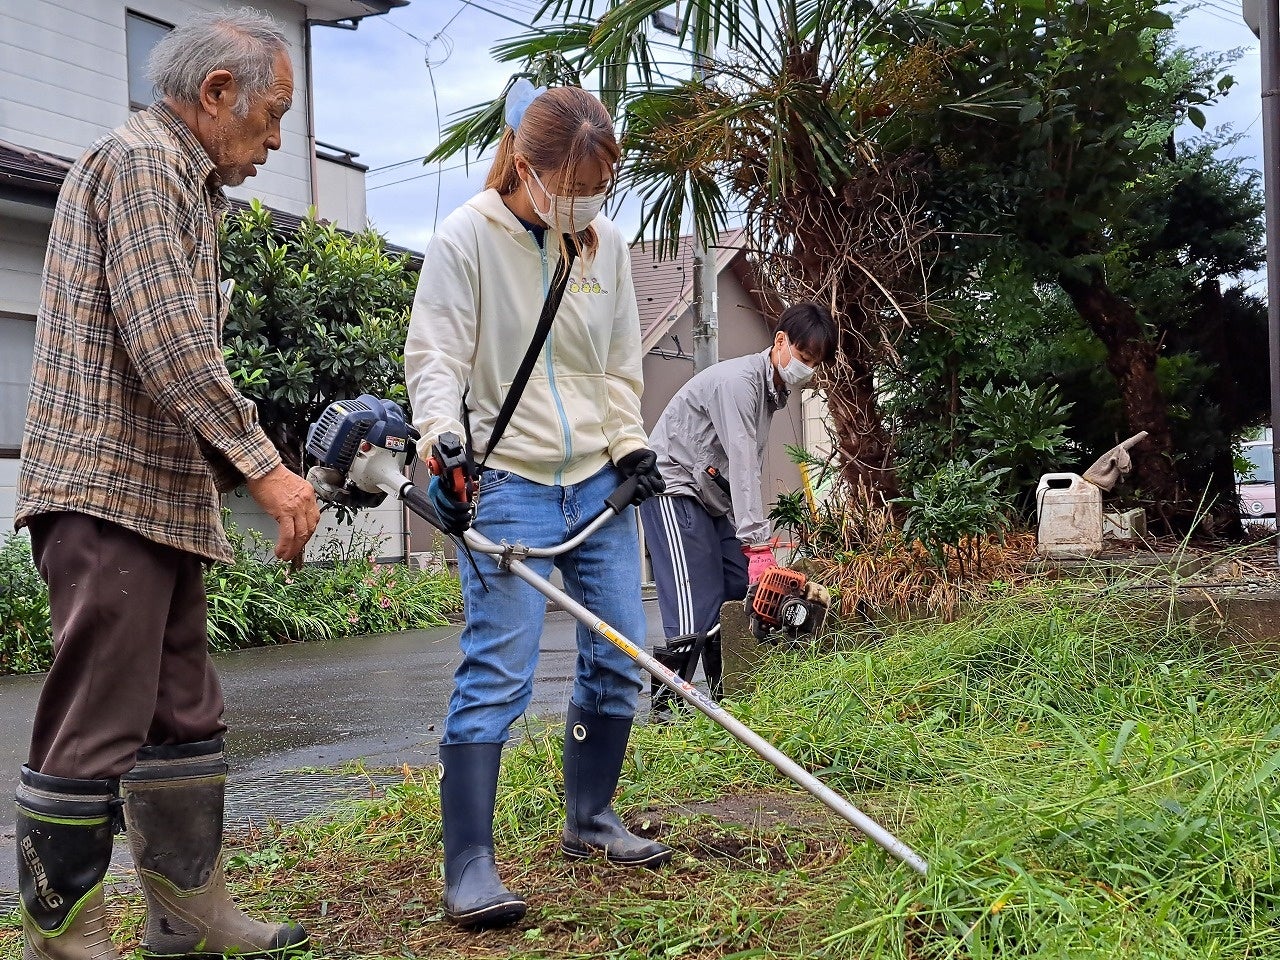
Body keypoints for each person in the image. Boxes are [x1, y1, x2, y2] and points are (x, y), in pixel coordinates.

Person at [12, 10, 319, 959]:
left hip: (157, 499)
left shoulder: (188, 184)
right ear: (216, 92)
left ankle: (189, 915)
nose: (274, 142)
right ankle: (62, 934)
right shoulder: (144, 162)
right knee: (99, 717)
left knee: (183, 712)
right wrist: (265, 467)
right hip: (103, 491)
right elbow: (166, 342)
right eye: (270, 117)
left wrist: (239, 472)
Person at [404, 80, 669, 931]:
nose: (586, 203)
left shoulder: (605, 245)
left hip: (596, 477)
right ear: (526, 166)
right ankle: (470, 866)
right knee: (500, 671)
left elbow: (618, 365)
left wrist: (629, 445)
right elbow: (436, 355)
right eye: (573, 187)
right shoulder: (465, 239)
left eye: (600, 188)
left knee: (620, 651)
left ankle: (591, 821)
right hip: (509, 481)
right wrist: (442, 438)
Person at [638, 303, 838, 715]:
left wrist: (749, 550)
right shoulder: (740, 383)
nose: (807, 370)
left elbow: (736, 472)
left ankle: (725, 713)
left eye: (814, 364)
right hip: (674, 489)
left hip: (712, 498)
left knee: (735, 594)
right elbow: (744, 464)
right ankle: (666, 719)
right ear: (780, 341)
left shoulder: (770, 393)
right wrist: (759, 547)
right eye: (804, 358)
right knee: (696, 606)